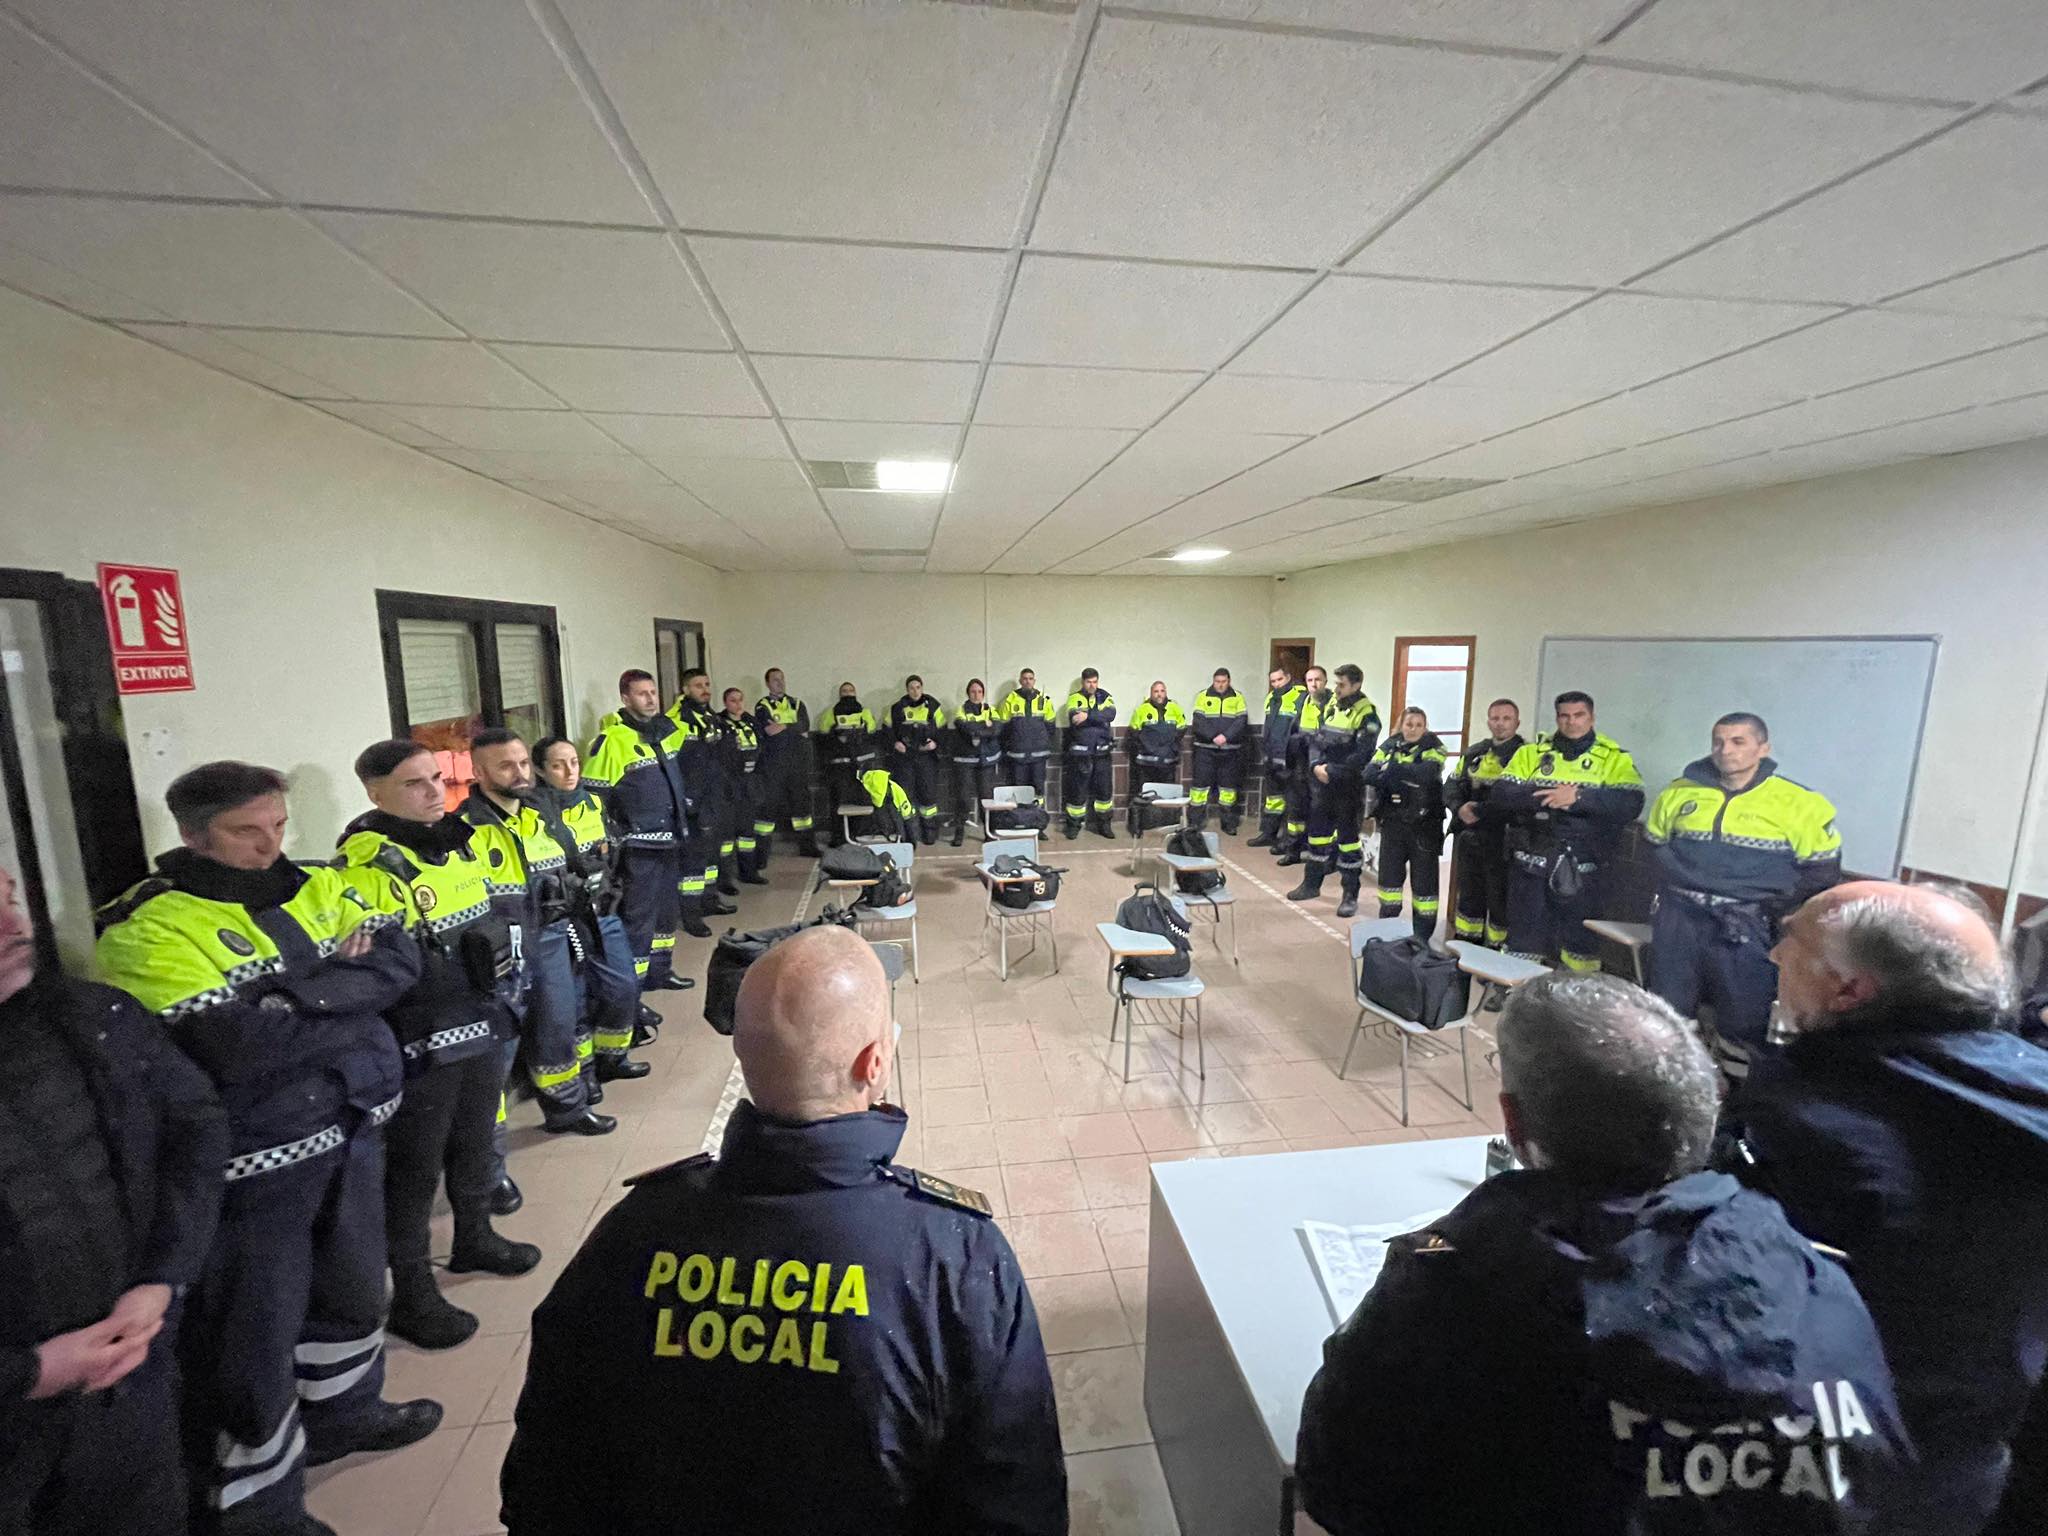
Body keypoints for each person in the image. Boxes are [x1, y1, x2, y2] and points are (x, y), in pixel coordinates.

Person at [1296, 973, 1911, 1535]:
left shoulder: (1454, 1290)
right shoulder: (1815, 1277)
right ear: (1709, 1105)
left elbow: (1336, 1483)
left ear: (1514, 1124)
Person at [501, 925, 1066, 1534]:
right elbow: (1016, 1502)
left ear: (744, 1058)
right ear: (875, 1063)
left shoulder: (631, 1233)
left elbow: (544, 1483)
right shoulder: (954, 1257)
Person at [96, 762, 440, 1530]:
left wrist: (290, 999)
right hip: (257, 1163)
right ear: (193, 836)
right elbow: (232, 1046)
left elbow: (398, 963)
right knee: (253, 1335)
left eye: (278, 825)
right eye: (246, 832)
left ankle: (347, 1412)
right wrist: (340, 995)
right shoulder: (149, 926)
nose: (270, 845)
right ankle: (260, 1506)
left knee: (354, 1291)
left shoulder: (316, 884)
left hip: (351, 1123)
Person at [1737, 882, 2048, 1534]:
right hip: (1985, 1453)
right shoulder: (2031, 1085)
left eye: (1792, 938)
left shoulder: (1804, 1110)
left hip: (1841, 1460)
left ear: (1849, 992)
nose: (1774, 954)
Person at [3, 865, 227, 1536]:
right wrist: (28, 1372)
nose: (15, 926)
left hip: (128, 1364)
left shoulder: (91, 1016)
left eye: (9, 897)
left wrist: (162, 1278)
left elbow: (194, 1129)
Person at [338, 742, 541, 1352]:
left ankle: (475, 1236)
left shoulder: (455, 841)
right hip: (424, 1040)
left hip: (482, 1018)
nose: (433, 792)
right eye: (413, 784)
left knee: (476, 1140)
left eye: (435, 778)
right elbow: (381, 969)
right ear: (375, 793)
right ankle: (413, 1293)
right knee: (416, 1169)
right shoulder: (370, 866)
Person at [1644, 713, 1841, 1074]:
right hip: (1680, 917)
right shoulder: (1679, 792)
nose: (1726, 750)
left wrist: (1773, 908)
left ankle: (1736, 1094)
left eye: (1738, 742)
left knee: (1743, 1019)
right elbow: (1655, 843)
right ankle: (1675, 1085)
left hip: (1747, 924)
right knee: (1668, 1009)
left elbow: (1822, 871)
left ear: (1763, 748)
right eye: (1718, 741)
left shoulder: (1798, 802)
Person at [463, 729, 625, 1136]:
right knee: (497, 1053)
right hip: (501, 958)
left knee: (558, 1026)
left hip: (552, 939)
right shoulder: (466, 830)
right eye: (506, 766)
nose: (519, 773)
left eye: (522, 763)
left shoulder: (541, 817)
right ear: (479, 772)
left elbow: (571, 871)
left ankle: (566, 1109)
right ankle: (481, 1150)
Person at [1482, 691, 1644, 972]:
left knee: (1580, 945)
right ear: (1557, 718)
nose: (1572, 722)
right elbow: (1502, 794)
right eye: (1564, 716)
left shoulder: (1613, 758)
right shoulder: (1532, 753)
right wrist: (1549, 796)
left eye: (1579, 715)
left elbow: (1630, 803)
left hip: (1585, 866)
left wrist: (1578, 799)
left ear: (1591, 717)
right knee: (1523, 941)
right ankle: (1517, 990)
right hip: (1531, 861)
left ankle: (1575, 995)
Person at [535, 733, 660, 1063]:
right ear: (540, 771)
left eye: (574, 763)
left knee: (624, 985)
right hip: (564, 922)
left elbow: (610, 858)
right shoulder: (534, 817)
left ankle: (612, 1057)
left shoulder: (594, 804)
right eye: (558, 766)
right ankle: (584, 1070)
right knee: (573, 1001)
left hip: (602, 911)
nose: (569, 772)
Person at [584, 670, 697, 982]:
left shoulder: (662, 732)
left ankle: (660, 971)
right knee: (638, 916)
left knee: (666, 912)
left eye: (653, 692)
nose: (650, 699)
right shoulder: (612, 741)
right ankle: (632, 985)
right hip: (638, 846)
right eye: (641, 693)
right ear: (625, 698)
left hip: (671, 839)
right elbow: (593, 797)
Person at [1286, 663, 1380, 917]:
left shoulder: (1367, 715)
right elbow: (1318, 741)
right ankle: (1311, 884)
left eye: (1342, 684)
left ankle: (1350, 895)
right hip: (1322, 784)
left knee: (1348, 843)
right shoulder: (1333, 706)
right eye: (1336, 684)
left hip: (1346, 788)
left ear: (1356, 685)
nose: (1336, 689)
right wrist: (1316, 765)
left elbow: (1362, 754)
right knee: (1317, 836)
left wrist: (1331, 770)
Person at [1364, 707, 1448, 941]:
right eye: (1409, 724)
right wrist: (1404, 776)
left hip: (1424, 827)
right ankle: (1388, 932)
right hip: (1393, 823)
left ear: (1425, 727)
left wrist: (1391, 772)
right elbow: (1368, 774)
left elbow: (1426, 774)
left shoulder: (1435, 747)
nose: (1413, 729)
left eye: (1419, 725)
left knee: (1424, 886)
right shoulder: (1389, 745)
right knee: (1389, 883)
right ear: (1401, 725)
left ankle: (1422, 938)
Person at [1447, 698, 1524, 949]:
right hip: (1470, 836)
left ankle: (1495, 953)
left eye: (1506, 719)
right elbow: (1451, 784)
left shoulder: (1526, 755)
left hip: (1504, 840)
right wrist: (1459, 807)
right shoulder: (1475, 752)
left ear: (1517, 722)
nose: (1500, 724)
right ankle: (1466, 948)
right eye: (1495, 718)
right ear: (1488, 721)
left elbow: (1519, 799)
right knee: (1469, 897)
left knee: (1499, 900)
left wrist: (1481, 811)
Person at [668, 669, 736, 929]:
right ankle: (691, 914)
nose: (705, 689)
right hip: (692, 802)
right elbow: (672, 764)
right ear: (685, 689)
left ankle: (710, 899)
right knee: (693, 861)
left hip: (714, 797)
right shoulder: (676, 721)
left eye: (707, 684)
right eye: (698, 685)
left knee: (712, 856)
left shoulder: (710, 717)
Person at [753, 668, 819, 863]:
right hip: (773, 765)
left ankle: (808, 847)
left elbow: (804, 726)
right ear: (767, 683)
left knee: (802, 807)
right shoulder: (762, 706)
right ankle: (761, 853)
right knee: (768, 808)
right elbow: (768, 730)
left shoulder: (796, 703)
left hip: (797, 763)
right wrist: (793, 728)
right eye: (775, 680)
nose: (780, 683)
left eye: (782, 679)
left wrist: (783, 726)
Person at [1276, 664, 1330, 867]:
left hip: (1321, 764)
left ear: (1325, 681)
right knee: (1295, 809)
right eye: (1310, 680)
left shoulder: (1333, 705)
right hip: (1300, 762)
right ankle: (1293, 851)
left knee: (1319, 810)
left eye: (1318, 680)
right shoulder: (1303, 702)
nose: (1314, 684)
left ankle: (1320, 856)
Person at [719, 688, 772, 885]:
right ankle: (724, 878)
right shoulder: (720, 723)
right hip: (730, 783)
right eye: (733, 700)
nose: (738, 704)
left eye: (740, 700)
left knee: (747, 831)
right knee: (727, 834)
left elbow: (762, 747)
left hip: (750, 782)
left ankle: (748, 871)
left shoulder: (751, 721)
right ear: (725, 703)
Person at [1248, 664, 1304, 849]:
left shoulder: (1300, 696)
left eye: (1279, 679)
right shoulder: (1271, 697)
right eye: (1273, 681)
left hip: (1290, 759)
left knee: (1293, 802)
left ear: (1288, 677)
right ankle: (1269, 833)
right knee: (1273, 799)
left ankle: (1289, 841)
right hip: (1271, 757)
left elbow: (1298, 730)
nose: (1276, 684)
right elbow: (1269, 728)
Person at [886, 675, 947, 845]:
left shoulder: (933, 706)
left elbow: (943, 730)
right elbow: (887, 730)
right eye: (912, 688)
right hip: (904, 759)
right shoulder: (896, 708)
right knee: (906, 797)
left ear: (922, 688)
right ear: (907, 690)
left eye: (918, 687)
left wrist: (935, 744)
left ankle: (929, 834)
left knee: (928, 796)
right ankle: (910, 834)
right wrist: (895, 743)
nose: (915, 691)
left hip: (927, 758)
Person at [1189, 667, 1249, 834]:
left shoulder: (1238, 697)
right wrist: (1214, 736)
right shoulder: (1203, 696)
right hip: (1205, 750)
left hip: (1230, 751)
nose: (1220, 685)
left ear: (1229, 681)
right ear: (1213, 681)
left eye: (1223, 682)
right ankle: (1195, 823)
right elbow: (1198, 721)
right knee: (1199, 789)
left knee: (1228, 789)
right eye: (1217, 682)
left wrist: (1226, 736)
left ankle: (1228, 824)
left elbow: (1241, 721)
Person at [1062, 667, 1117, 840]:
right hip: (1081, 754)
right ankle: (1073, 826)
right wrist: (1097, 718)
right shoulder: (1074, 698)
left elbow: (1110, 715)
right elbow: (1074, 718)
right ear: (1082, 682)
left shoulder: (1106, 697)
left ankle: (1104, 825)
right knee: (1077, 792)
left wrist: (1087, 716)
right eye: (1088, 682)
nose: (1092, 685)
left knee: (1104, 793)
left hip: (1102, 753)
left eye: (1094, 682)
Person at [1125, 679, 1187, 834]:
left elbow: (1181, 730)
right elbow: (1134, 733)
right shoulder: (1141, 710)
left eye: (1162, 691)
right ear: (1151, 693)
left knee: (1168, 796)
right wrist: (1148, 748)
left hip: (1168, 762)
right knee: (1143, 796)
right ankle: (1139, 827)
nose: (1159, 694)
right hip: (1146, 763)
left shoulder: (1175, 708)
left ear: (1166, 692)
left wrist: (1170, 748)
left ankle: (1167, 826)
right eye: (1156, 691)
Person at [822, 681, 881, 840]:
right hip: (839, 769)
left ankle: (861, 834)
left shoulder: (865, 713)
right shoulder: (830, 714)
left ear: (855, 693)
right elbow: (824, 739)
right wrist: (837, 737)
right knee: (839, 803)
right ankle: (839, 837)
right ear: (839, 695)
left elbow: (872, 736)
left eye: (851, 690)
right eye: (844, 691)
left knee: (863, 802)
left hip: (863, 767)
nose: (848, 693)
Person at [948, 678, 1002, 847]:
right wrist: (985, 726)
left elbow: (997, 729)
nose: (976, 694)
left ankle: (988, 832)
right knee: (963, 798)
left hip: (986, 761)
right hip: (965, 761)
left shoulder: (991, 710)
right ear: (968, 693)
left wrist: (978, 730)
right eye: (973, 691)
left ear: (983, 693)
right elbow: (964, 728)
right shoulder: (960, 710)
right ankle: (959, 832)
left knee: (986, 799)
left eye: (979, 691)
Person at [997, 666, 1058, 798]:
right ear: (1020, 681)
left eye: (1030, 679)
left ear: (1034, 681)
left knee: (1039, 789)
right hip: (1017, 754)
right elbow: (1004, 727)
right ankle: (1022, 811)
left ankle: (1038, 810)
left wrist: (1043, 742)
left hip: (1039, 754)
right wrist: (1010, 745)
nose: (1028, 681)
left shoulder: (1044, 700)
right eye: (1025, 679)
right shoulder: (1011, 699)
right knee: (1019, 789)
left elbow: (1051, 727)